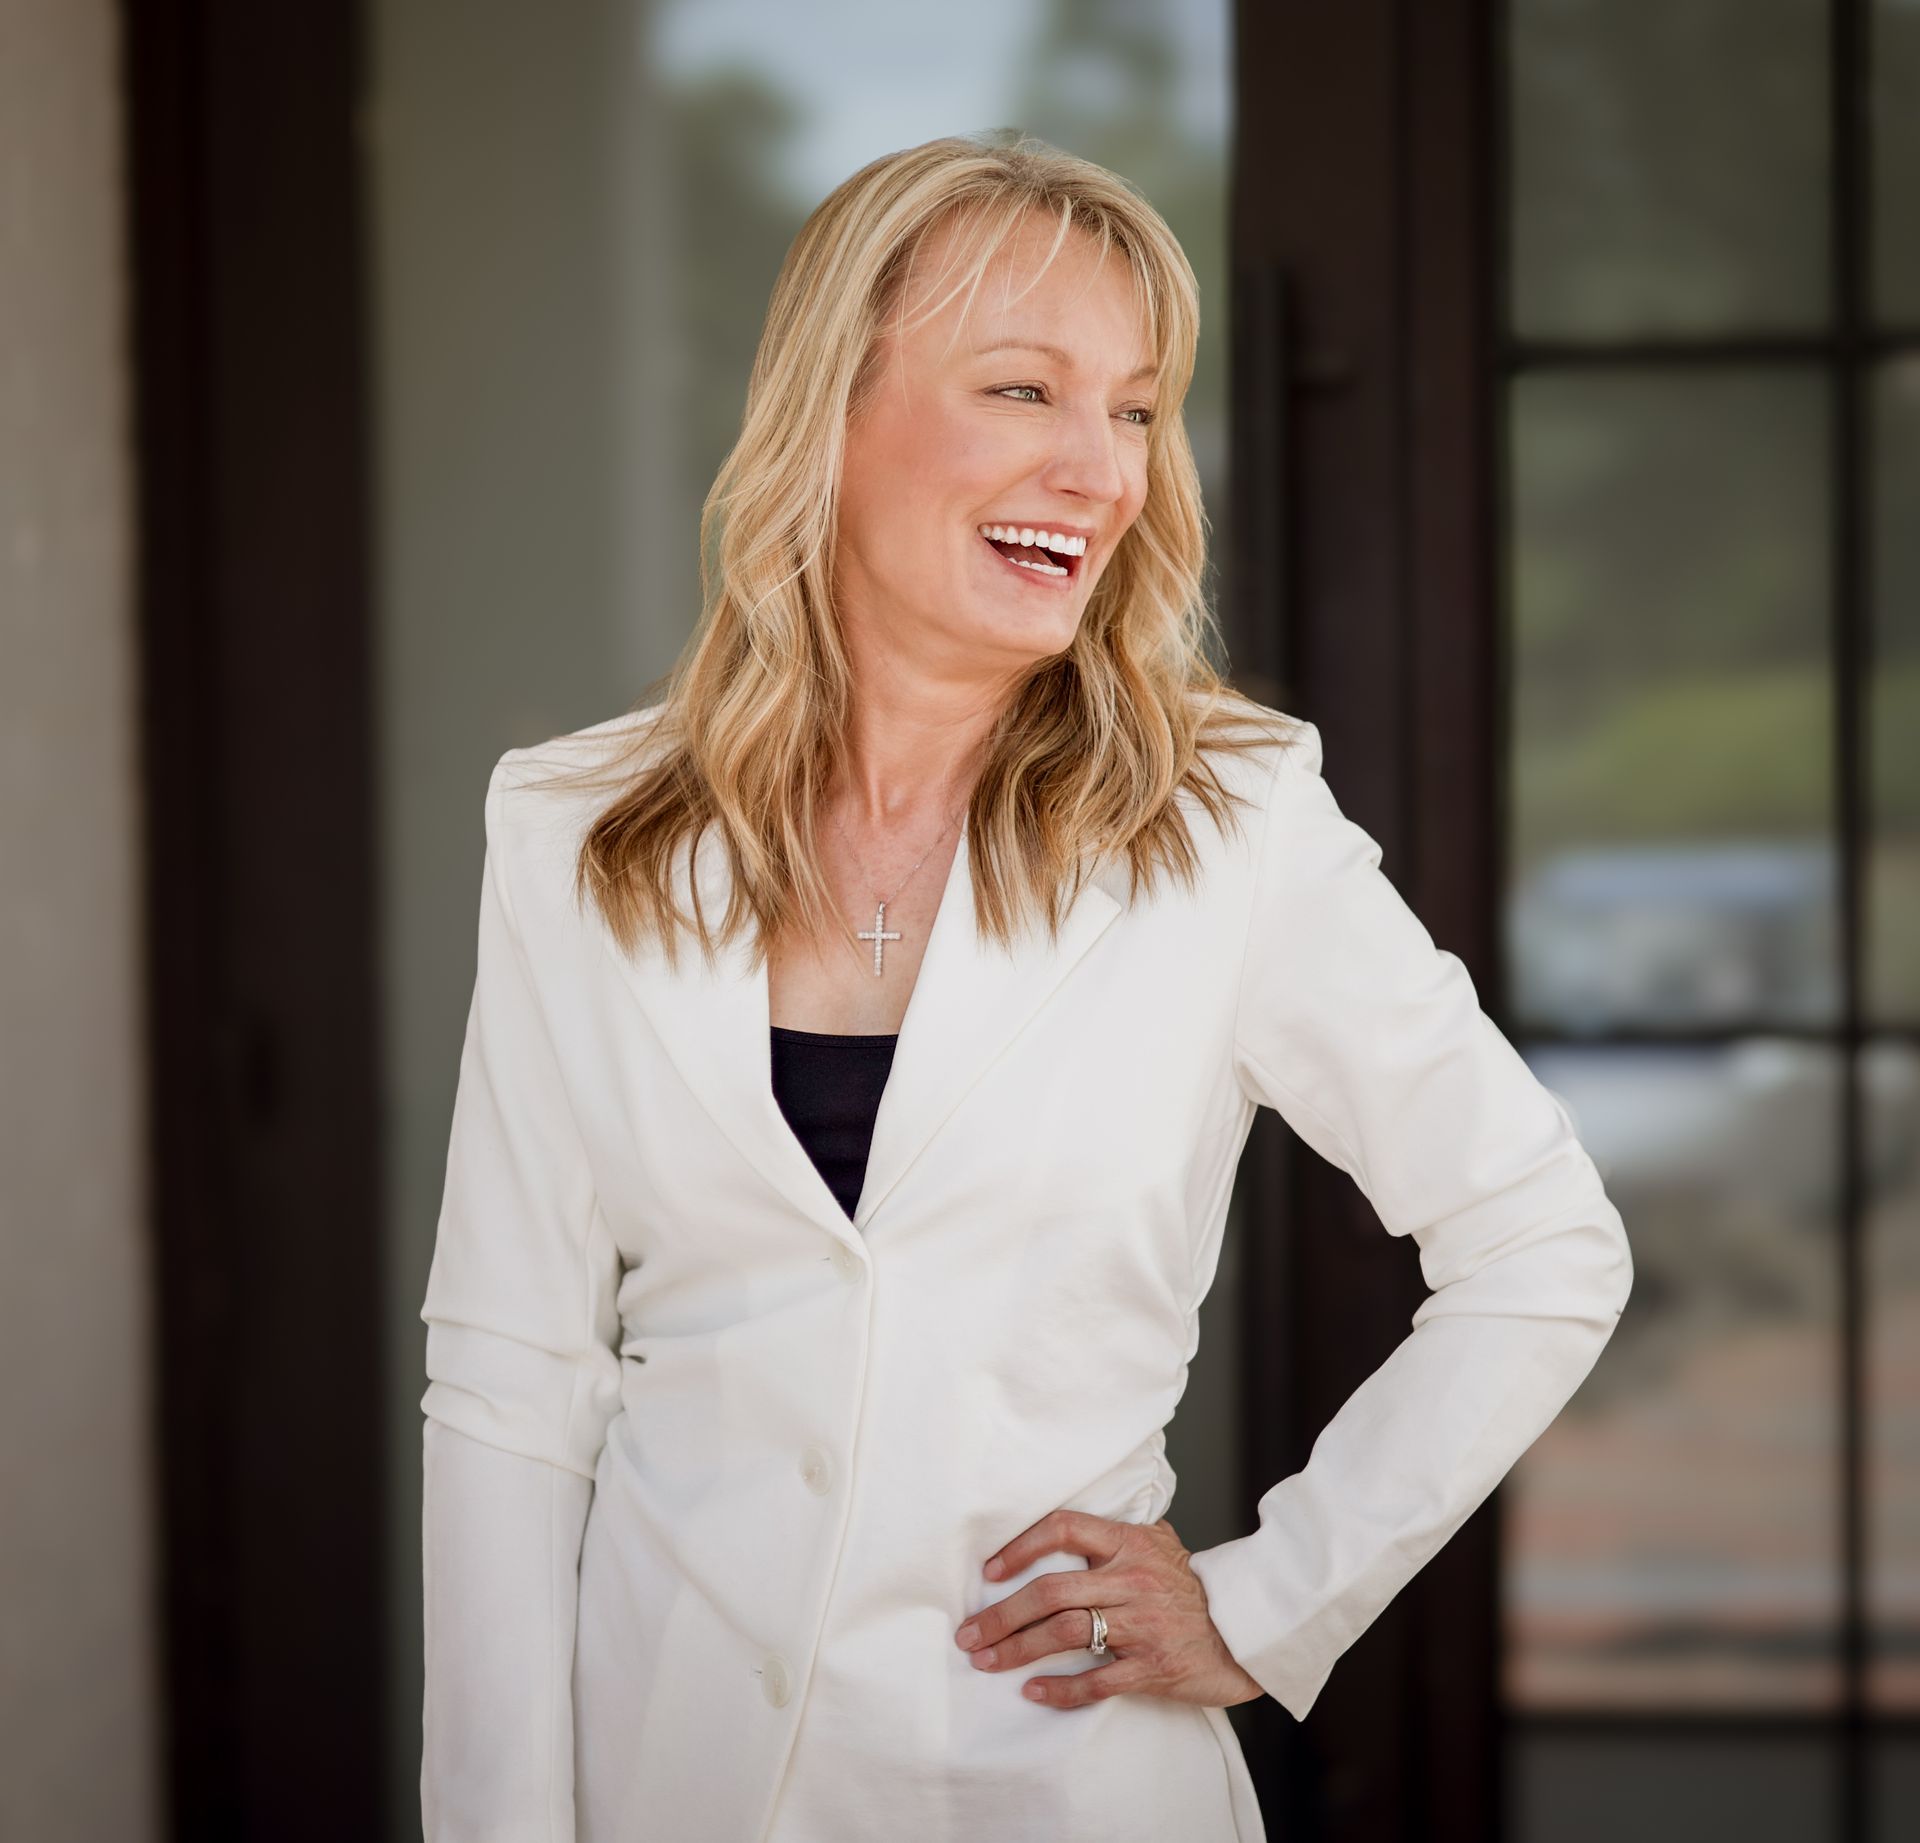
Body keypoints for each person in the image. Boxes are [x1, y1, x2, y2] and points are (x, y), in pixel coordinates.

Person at [418, 133, 1632, 1842]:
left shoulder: (1231, 824)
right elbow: (509, 1381)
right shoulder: (573, 829)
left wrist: (1270, 1598)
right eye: (1024, 390)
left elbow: (1542, 1241)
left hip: (1053, 1788)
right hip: (663, 1781)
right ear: (832, 408)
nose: (1100, 470)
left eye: (1135, 410)